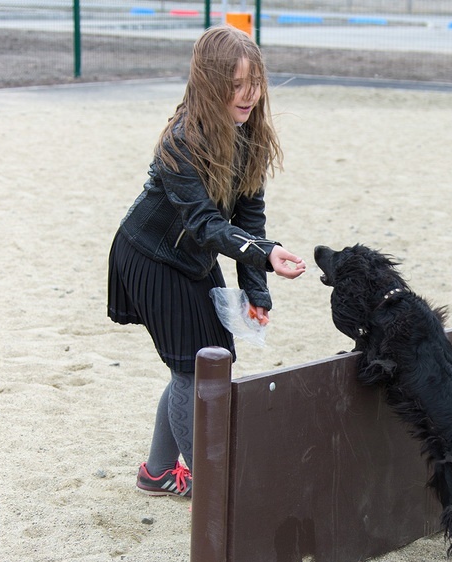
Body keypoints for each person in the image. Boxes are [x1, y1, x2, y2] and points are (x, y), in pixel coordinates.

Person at [107, 26, 305, 498]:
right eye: (235, 85)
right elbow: (206, 225)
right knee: (191, 371)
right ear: (209, 83)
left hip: (194, 258)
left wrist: (257, 290)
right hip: (150, 256)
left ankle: (156, 473)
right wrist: (264, 254)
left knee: (205, 365)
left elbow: (248, 222)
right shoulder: (181, 142)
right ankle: (210, 488)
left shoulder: (250, 134)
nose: (248, 95)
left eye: (254, 83)